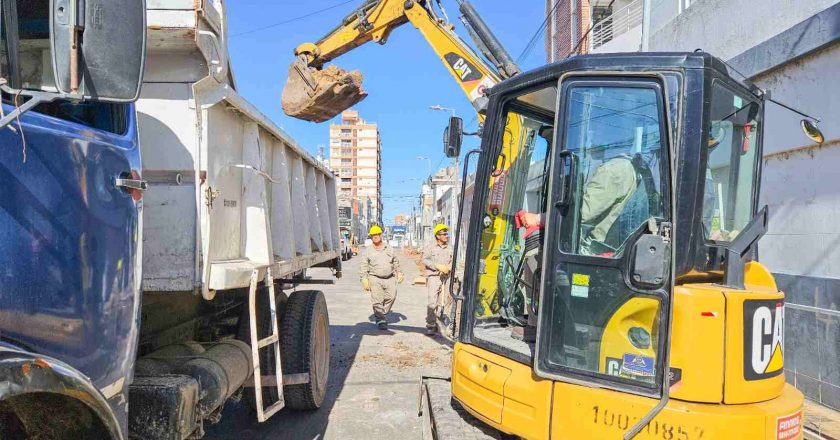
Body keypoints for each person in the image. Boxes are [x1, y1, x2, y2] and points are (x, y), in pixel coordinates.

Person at [360, 225, 404, 330]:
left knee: (391, 296)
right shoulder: (368, 251)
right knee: (377, 299)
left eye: (377, 234)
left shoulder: (389, 248)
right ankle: (380, 320)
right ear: (371, 237)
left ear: (381, 235)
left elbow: (395, 261)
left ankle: (382, 313)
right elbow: (363, 266)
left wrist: (400, 272)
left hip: (390, 277)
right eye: (373, 235)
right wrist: (364, 279)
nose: (375, 237)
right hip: (375, 277)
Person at [422, 224, 453, 335]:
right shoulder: (430, 247)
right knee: (432, 301)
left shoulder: (450, 248)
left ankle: (442, 323)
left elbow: (453, 262)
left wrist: (447, 269)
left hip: (446, 278)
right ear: (437, 236)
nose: (446, 236)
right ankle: (431, 324)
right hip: (434, 277)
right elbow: (424, 260)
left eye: (446, 234)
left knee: (444, 302)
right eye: (444, 234)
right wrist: (437, 266)